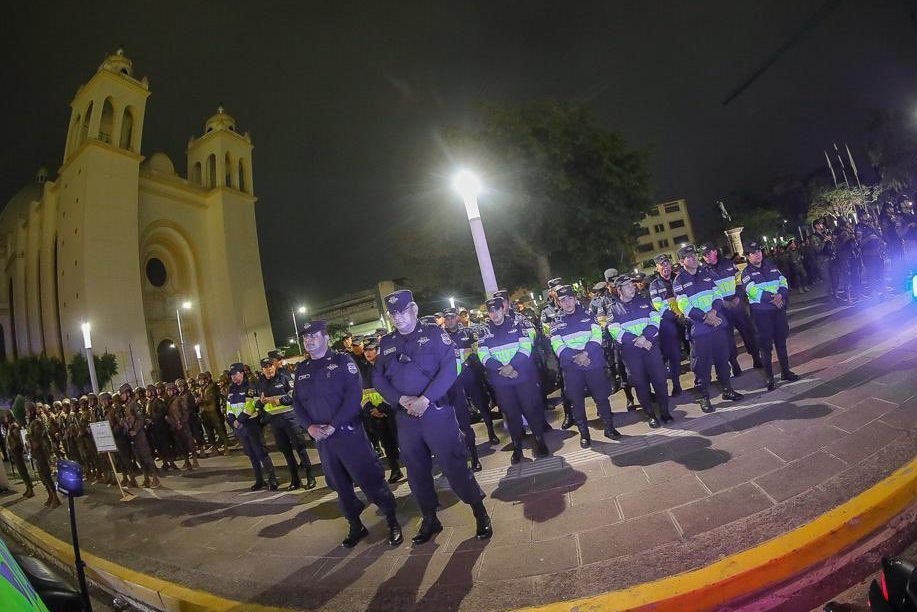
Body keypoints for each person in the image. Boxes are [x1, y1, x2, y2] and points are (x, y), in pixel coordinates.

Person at [373, 290, 492, 544]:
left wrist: (425, 399)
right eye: (393, 314)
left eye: (403, 311)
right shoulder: (386, 343)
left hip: (435, 411)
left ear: (414, 309)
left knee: (453, 464)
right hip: (406, 418)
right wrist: (398, 399)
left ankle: (478, 510)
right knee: (416, 471)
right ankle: (430, 517)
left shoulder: (434, 334)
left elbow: (451, 367)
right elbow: (378, 378)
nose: (398, 318)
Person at [294, 321, 403, 548]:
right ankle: (355, 524)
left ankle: (392, 520)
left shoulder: (342, 361)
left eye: (313, 335)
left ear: (325, 337)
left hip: (348, 433)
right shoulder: (302, 370)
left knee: (369, 479)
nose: (309, 340)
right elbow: (297, 403)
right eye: (305, 337)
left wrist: (334, 424)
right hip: (324, 440)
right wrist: (309, 427)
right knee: (339, 486)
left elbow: (353, 397)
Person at [477, 297, 549, 463]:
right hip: (502, 380)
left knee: (530, 409)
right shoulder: (484, 330)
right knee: (511, 414)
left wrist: (512, 367)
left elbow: (526, 347)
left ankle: (539, 440)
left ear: (503, 309)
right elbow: (483, 354)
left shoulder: (518, 324)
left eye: (496, 310)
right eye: (491, 311)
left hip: (521, 376)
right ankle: (517, 447)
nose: (494, 314)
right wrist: (501, 369)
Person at [673, 244, 744, 412]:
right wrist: (705, 317)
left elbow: (717, 294)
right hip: (700, 327)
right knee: (701, 365)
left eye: (694, 256)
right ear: (682, 261)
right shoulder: (679, 281)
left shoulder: (706, 273)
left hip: (716, 321)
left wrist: (713, 312)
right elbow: (684, 305)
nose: (694, 259)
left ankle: (727, 389)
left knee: (722, 358)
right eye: (689, 257)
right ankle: (704, 397)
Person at [550, 284, 620, 447]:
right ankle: (584, 434)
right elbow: (558, 346)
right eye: (563, 300)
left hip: (592, 364)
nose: (567, 303)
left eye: (569, 298)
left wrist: (586, 354)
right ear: (559, 303)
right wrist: (578, 357)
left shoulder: (589, 315)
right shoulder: (555, 323)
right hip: (572, 369)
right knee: (576, 402)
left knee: (601, 397)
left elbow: (597, 337)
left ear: (574, 299)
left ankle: (609, 428)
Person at [606, 276, 673, 428]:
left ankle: (665, 412)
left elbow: (656, 320)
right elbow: (615, 331)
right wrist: (639, 341)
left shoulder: (644, 301)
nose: (632, 287)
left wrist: (645, 337)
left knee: (660, 382)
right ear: (619, 290)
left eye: (632, 284)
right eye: (627, 285)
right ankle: (650, 415)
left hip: (650, 347)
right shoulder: (613, 309)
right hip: (632, 354)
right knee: (641, 386)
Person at [741, 242, 801, 391]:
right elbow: (752, 291)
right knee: (765, 347)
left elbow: (783, 281)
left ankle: (785, 372)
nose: (758, 254)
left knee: (781, 342)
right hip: (761, 314)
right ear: (748, 256)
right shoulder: (746, 273)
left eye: (759, 251)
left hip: (777, 310)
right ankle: (769, 378)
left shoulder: (771, 266)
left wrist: (781, 294)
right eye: (753, 253)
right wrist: (774, 298)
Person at [700, 244, 761, 375]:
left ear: (715, 251)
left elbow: (739, 281)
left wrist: (738, 296)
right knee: (727, 339)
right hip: (721, 308)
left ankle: (756, 357)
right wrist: (722, 303)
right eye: (704, 255)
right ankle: (735, 365)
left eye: (708, 253)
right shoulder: (703, 271)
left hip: (736, 303)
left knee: (748, 332)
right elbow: (707, 291)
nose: (706, 257)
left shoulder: (728, 263)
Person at [257, 356, 316, 490]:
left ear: (274, 366)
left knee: (300, 448)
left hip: (290, 419)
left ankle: (310, 477)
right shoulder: (261, 383)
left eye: (270, 366)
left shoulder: (284, 377)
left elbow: (293, 395)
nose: (269, 369)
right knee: (286, 452)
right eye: (265, 367)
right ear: (262, 370)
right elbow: (258, 402)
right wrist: (260, 403)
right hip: (275, 423)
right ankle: (295, 480)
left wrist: (280, 401)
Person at [444, 307, 499, 446]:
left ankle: (491, 433)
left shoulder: (468, 332)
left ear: (457, 318)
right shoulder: (443, 337)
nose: (450, 321)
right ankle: (467, 441)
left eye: (452, 317)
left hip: (471, 375)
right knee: (460, 411)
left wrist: (468, 362)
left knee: (482, 404)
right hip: (454, 379)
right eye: (447, 318)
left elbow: (477, 350)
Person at [225, 363, 278, 491]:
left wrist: (240, 419)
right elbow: (229, 408)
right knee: (251, 455)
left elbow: (251, 406)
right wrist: (232, 421)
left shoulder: (250, 387)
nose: (234, 377)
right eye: (232, 375)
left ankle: (272, 479)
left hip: (251, 424)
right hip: (240, 427)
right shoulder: (231, 390)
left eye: (236, 374)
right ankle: (259, 480)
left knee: (261, 453)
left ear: (242, 373)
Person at [357, 337, 403, 483]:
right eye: (365, 350)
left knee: (401, 440)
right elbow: (362, 394)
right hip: (376, 415)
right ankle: (395, 470)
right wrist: (371, 409)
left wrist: (383, 408)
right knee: (387, 444)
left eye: (371, 349)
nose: (368, 353)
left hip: (392, 411)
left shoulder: (388, 366)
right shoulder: (363, 370)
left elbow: (394, 389)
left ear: (378, 350)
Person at [649, 254, 686, 395]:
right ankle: (676, 385)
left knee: (693, 351)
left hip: (685, 319)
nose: (665, 267)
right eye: (662, 265)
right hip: (669, 324)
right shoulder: (654, 285)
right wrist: (676, 317)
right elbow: (659, 306)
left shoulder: (678, 279)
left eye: (667, 264)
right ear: (657, 268)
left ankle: (700, 379)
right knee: (673, 355)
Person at [120, 383, 161, 488]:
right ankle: (146, 478)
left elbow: (140, 419)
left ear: (128, 393)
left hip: (139, 435)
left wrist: (135, 430)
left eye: (122, 394)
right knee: (139, 458)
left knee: (146, 456)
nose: (121, 396)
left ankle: (155, 479)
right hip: (132, 436)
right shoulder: (127, 406)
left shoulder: (134, 404)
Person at [165, 382, 199, 471]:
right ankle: (187, 461)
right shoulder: (169, 401)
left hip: (183, 425)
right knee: (181, 445)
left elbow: (185, 412)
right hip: (175, 426)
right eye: (167, 390)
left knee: (189, 442)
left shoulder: (179, 399)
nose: (168, 392)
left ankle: (195, 460)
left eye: (170, 390)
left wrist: (182, 422)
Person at [198, 372, 229, 455]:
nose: (199, 381)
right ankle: (215, 449)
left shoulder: (212, 387)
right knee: (209, 432)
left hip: (213, 412)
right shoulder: (202, 388)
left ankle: (226, 448)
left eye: (201, 380)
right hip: (205, 412)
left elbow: (212, 399)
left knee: (219, 430)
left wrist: (201, 400)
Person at [5, 413, 33, 498]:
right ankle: (28, 488)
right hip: (14, 451)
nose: (5, 419)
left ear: (10, 417)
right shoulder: (10, 426)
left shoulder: (14, 426)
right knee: (21, 471)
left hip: (17, 451)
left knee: (22, 470)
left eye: (6, 417)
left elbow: (18, 438)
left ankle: (30, 489)